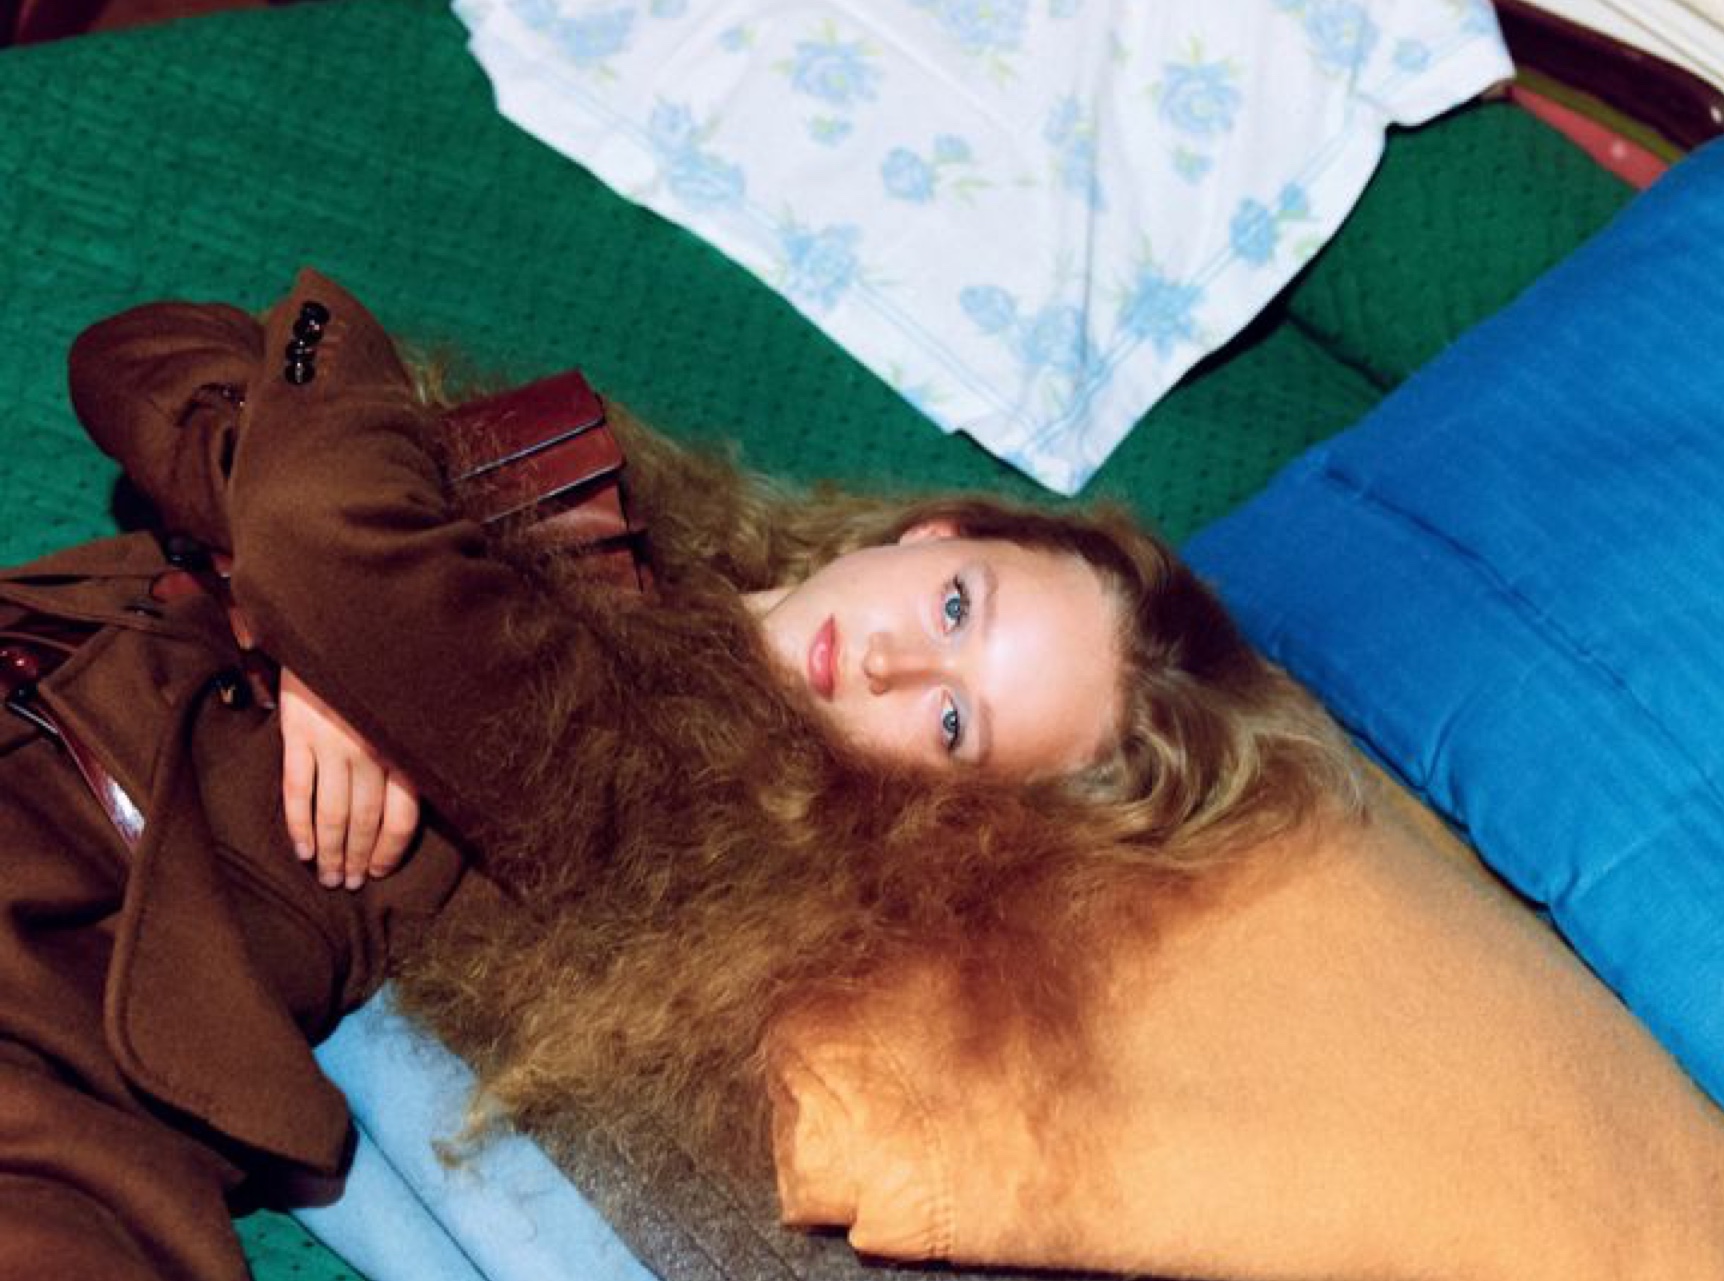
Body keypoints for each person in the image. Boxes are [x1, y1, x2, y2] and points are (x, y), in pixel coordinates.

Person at [0, 269, 1355, 1280]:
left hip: (57, 999)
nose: (895, 663)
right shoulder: (599, 493)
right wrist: (294, 619)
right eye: (957, 606)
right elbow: (136, 354)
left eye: (954, 725)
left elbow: (320, 508)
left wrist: (312, 505)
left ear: (946, 815)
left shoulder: (664, 802)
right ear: (941, 531)